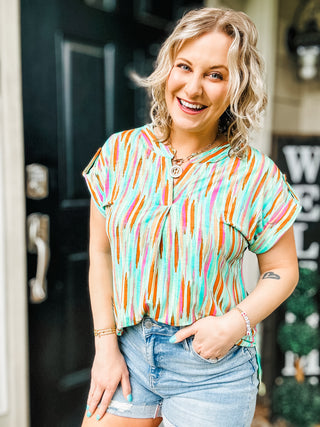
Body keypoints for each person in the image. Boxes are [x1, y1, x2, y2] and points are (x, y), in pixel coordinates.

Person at [81, 7, 301, 427]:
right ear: (167, 70)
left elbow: (283, 270)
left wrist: (233, 325)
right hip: (128, 355)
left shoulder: (254, 175)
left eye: (215, 75)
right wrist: (105, 348)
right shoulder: (119, 154)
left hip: (211, 371)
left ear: (236, 88)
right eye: (184, 67)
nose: (193, 88)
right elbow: (101, 254)